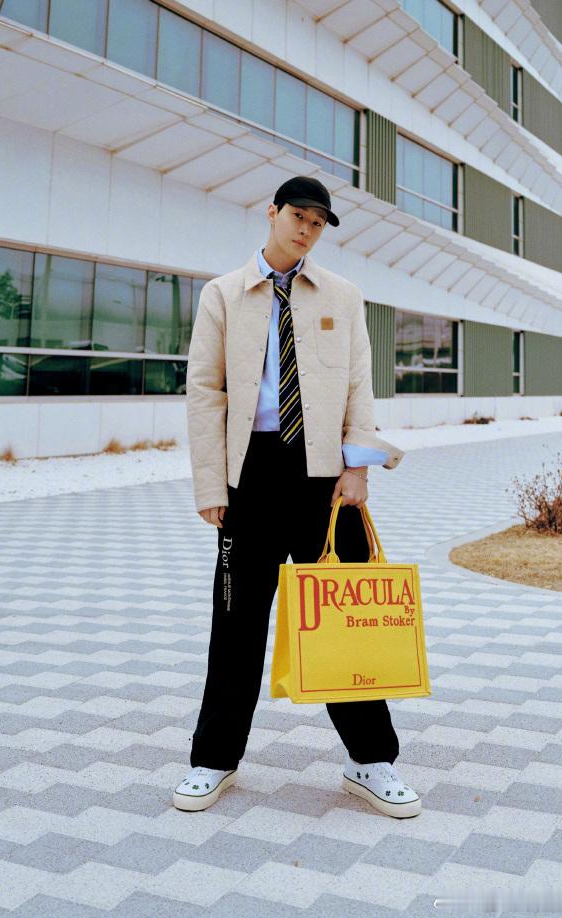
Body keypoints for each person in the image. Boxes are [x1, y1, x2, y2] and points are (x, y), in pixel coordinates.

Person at [175, 175, 421, 819]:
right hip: (250, 472)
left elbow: (361, 385)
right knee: (236, 622)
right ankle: (213, 760)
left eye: (317, 223)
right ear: (272, 212)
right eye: (298, 217)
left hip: (325, 478)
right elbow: (204, 392)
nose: (307, 230)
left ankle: (371, 761)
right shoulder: (222, 294)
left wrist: (359, 469)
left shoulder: (342, 294)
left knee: (343, 619)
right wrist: (211, 485)